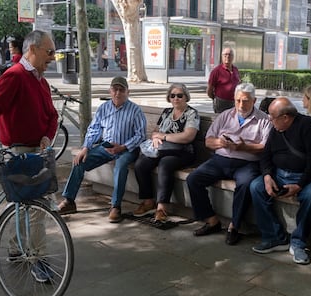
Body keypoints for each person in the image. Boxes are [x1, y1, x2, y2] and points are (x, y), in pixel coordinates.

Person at [0, 30, 58, 282]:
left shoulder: (40, 81)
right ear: (32, 50)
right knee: (35, 207)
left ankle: (15, 248)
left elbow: (52, 116)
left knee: (26, 208)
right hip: (18, 152)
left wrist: (46, 136)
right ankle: (36, 257)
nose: (52, 57)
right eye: (49, 52)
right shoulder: (14, 76)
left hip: (37, 151)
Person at [186, 83, 272, 245]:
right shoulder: (225, 115)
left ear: (254, 100)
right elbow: (208, 141)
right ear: (234, 99)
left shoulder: (264, 120)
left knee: (246, 184)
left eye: (246, 101)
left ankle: (235, 226)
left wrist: (244, 147)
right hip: (221, 160)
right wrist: (220, 142)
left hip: (247, 163)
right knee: (193, 179)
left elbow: (265, 147)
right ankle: (212, 221)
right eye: (238, 100)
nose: (241, 105)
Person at [250, 97, 311, 265]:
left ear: (285, 117)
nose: (269, 120)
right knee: (256, 187)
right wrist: (267, 176)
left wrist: (300, 184)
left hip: (308, 176)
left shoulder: (307, 125)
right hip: (280, 174)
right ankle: (275, 237)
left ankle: (298, 242)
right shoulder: (276, 129)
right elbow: (265, 155)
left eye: (272, 116)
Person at [58, 76, 146, 223]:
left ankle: (115, 206)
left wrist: (123, 147)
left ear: (127, 92)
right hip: (107, 147)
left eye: (121, 90)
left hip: (127, 148)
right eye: (115, 89)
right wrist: (86, 147)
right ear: (110, 91)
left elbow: (140, 135)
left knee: (121, 165)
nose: (117, 93)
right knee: (79, 161)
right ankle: (69, 201)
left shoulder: (135, 110)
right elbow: (94, 129)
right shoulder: (104, 108)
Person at [133, 83, 199, 222]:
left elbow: (188, 136)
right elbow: (155, 132)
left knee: (165, 164)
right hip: (162, 149)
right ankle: (148, 201)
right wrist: (156, 139)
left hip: (183, 151)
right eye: (172, 95)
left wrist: (164, 137)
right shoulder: (166, 113)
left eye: (180, 95)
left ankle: (161, 207)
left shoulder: (191, 113)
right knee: (141, 163)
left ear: (186, 97)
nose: (176, 98)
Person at [207, 47, 240, 113]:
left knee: (233, 121)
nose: (227, 57)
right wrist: (216, 98)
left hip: (234, 102)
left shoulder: (235, 69)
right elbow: (209, 90)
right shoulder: (216, 71)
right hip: (221, 103)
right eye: (225, 55)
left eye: (230, 55)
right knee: (221, 121)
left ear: (233, 57)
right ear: (222, 56)